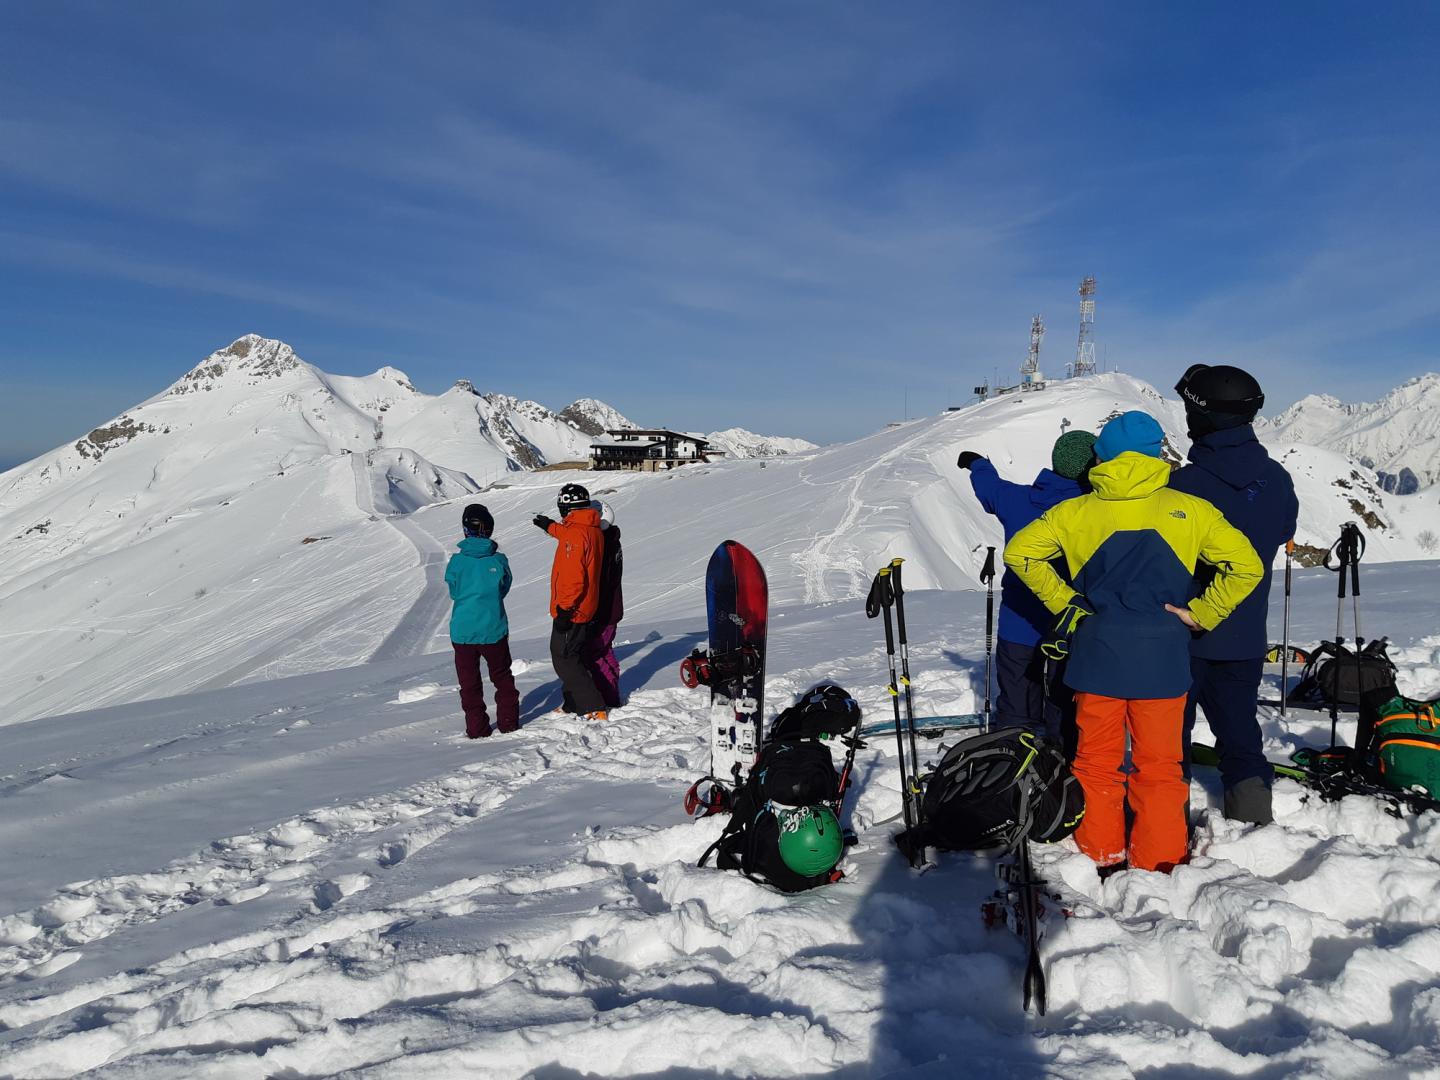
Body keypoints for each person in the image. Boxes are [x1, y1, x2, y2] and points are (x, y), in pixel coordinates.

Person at [1004, 411, 1263, 875]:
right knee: (1160, 767)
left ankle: (1100, 854)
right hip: (1162, 662)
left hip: (1095, 657)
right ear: (1155, 455)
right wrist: (1202, 613)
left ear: (1101, 456)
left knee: (1096, 762)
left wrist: (1066, 602)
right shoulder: (1190, 510)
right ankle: (1160, 861)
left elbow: (1019, 553)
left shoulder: (1074, 512)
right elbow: (1247, 566)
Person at [1170, 364, 1299, 825]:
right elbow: (1282, 531)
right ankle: (1254, 823)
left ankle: (1165, 833)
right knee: (1242, 739)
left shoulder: (1182, 486)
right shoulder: (1278, 479)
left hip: (1182, 635)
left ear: (1202, 416)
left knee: (1169, 743)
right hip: (1244, 635)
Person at [957, 429, 1096, 750]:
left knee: (1017, 712)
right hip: (1072, 628)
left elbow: (989, 488)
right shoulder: (1095, 511)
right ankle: (1063, 778)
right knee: (1067, 707)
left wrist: (977, 463)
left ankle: (1011, 773)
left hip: (1018, 625)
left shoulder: (1016, 499)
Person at [533, 482, 609, 720]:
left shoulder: (576, 534)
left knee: (563, 658)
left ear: (565, 507)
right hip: (586, 605)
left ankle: (593, 705)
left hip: (574, 609)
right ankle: (573, 703)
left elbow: (573, 577)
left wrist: (564, 610)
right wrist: (550, 527)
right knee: (570, 656)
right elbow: (569, 534)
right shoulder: (589, 527)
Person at [444, 503, 519, 738]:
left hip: (463, 632)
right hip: (493, 628)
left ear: (465, 529)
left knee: (469, 684)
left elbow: (454, 592)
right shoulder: (499, 560)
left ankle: (476, 729)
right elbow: (503, 588)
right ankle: (508, 724)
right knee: (502, 677)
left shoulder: (456, 562)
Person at [582, 502, 625, 709]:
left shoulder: (604, 545)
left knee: (595, 653)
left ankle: (609, 696)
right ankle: (612, 689)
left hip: (604, 611)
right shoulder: (613, 541)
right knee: (605, 651)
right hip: (612, 609)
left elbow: (600, 582)